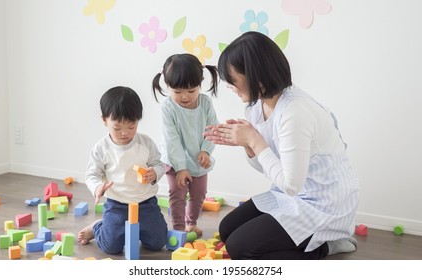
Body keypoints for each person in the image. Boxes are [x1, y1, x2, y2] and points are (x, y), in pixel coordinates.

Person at [204, 31, 359, 260]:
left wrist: (254, 140)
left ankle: (327, 244)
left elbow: (290, 184)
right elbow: (270, 168)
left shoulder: (295, 112)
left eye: (232, 80)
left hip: (323, 202)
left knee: (240, 247)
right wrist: (248, 145)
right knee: (227, 230)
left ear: (256, 77)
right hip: (292, 193)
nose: (229, 86)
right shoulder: (256, 106)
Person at [77, 86, 167, 255]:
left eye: (131, 126)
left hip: (146, 203)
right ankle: (98, 226)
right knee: (111, 247)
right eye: (117, 128)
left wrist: (154, 173)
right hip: (117, 205)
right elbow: (92, 174)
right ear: (104, 120)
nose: (125, 133)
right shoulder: (101, 148)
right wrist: (97, 188)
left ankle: (136, 230)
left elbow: (159, 164)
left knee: (157, 243)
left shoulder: (146, 143)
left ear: (138, 121)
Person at [152, 53, 220, 237]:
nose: (184, 96)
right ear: (167, 86)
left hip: (198, 160)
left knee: (199, 194)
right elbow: (171, 139)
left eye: (191, 91)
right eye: (178, 91)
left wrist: (206, 150)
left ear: (200, 84)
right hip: (175, 161)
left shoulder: (205, 103)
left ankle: (192, 223)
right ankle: (178, 228)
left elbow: (212, 128)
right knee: (177, 194)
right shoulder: (168, 108)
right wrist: (180, 168)